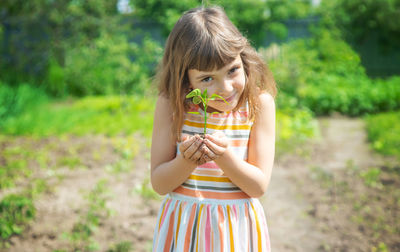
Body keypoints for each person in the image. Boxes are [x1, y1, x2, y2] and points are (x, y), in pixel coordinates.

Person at [150, 5, 277, 251]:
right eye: (207, 79)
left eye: (232, 70)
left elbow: (258, 186)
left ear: (244, 59)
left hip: (235, 230)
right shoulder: (172, 106)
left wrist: (225, 158)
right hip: (185, 229)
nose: (226, 88)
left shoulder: (258, 105)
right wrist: (186, 161)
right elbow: (159, 184)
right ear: (185, 79)